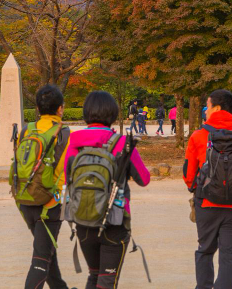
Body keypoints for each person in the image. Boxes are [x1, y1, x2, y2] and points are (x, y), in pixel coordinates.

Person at [64, 90, 150, 289]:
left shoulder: (73, 142)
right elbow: (144, 179)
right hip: (114, 221)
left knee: (94, 276)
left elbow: (65, 175)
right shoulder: (121, 142)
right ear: (112, 113)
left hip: (83, 220)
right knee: (107, 281)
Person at [184, 89, 232, 289]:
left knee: (205, 250)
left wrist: (194, 188)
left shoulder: (199, 135)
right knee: (228, 256)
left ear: (216, 108)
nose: (205, 111)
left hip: (206, 202)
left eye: (207, 106)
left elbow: (188, 174)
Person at [12, 85, 72, 289]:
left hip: (25, 200)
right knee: (40, 260)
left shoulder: (26, 130)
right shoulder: (64, 133)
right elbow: (64, 173)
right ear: (60, 109)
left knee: (47, 253)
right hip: (49, 205)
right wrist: (58, 200)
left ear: (37, 108)